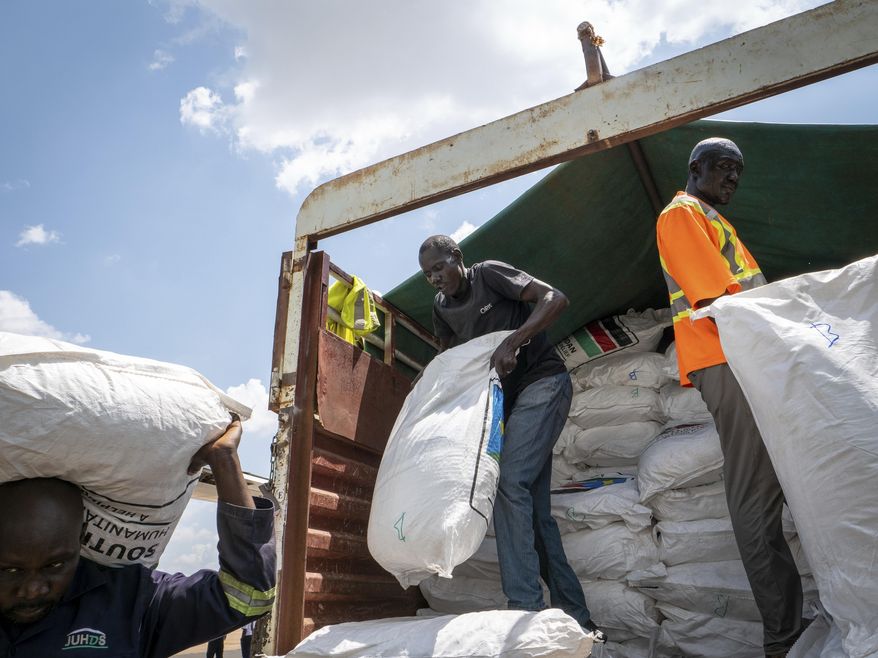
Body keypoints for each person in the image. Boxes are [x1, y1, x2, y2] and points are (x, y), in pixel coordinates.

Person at [656, 138, 804, 657]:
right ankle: (783, 637)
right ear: (695, 168)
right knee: (754, 493)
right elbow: (719, 299)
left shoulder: (717, 222)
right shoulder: (681, 215)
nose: (733, 178)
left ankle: (789, 628)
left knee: (769, 485)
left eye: (738, 171)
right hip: (724, 358)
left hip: (742, 358)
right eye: (723, 168)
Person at [418, 235, 605, 643]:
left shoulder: (489, 275)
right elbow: (449, 363)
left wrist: (512, 341)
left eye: (440, 266)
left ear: (458, 258)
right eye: (428, 273)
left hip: (545, 383)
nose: (435, 277)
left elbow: (555, 299)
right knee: (535, 517)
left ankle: (524, 611)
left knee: (508, 483)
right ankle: (577, 619)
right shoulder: (442, 309)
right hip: (509, 404)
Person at [0, 418, 276, 658]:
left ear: (80, 539)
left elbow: (248, 595)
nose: (32, 590)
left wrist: (224, 460)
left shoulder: (131, 602)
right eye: (11, 571)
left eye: (55, 566)